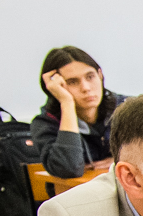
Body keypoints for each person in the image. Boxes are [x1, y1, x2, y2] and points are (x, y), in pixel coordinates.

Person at [31, 45, 128, 178]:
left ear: (100, 75)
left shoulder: (126, 108)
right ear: (55, 88)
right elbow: (69, 169)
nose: (86, 88)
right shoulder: (45, 123)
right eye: (72, 82)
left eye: (90, 77)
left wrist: (121, 161)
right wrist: (67, 103)